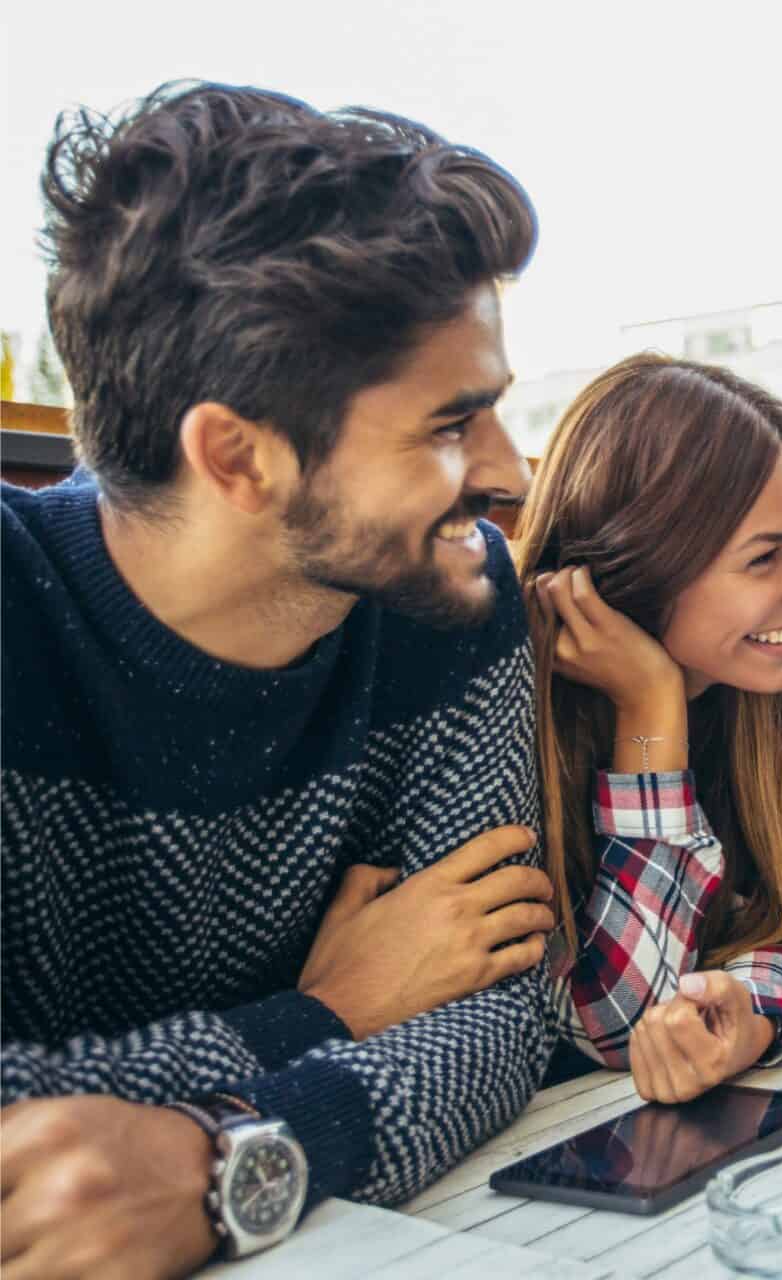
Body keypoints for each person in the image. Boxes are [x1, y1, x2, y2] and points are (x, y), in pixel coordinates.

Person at [1, 82, 555, 1275]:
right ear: (239, 457)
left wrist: (236, 1158)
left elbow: (499, 1005)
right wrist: (325, 1014)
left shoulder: (451, 595)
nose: (509, 474)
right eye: (452, 424)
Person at [514, 354, 782, 1103]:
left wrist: (753, 1016)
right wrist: (652, 715)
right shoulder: (506, 692)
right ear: (640, 565)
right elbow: (614, 1030)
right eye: (765, 557)